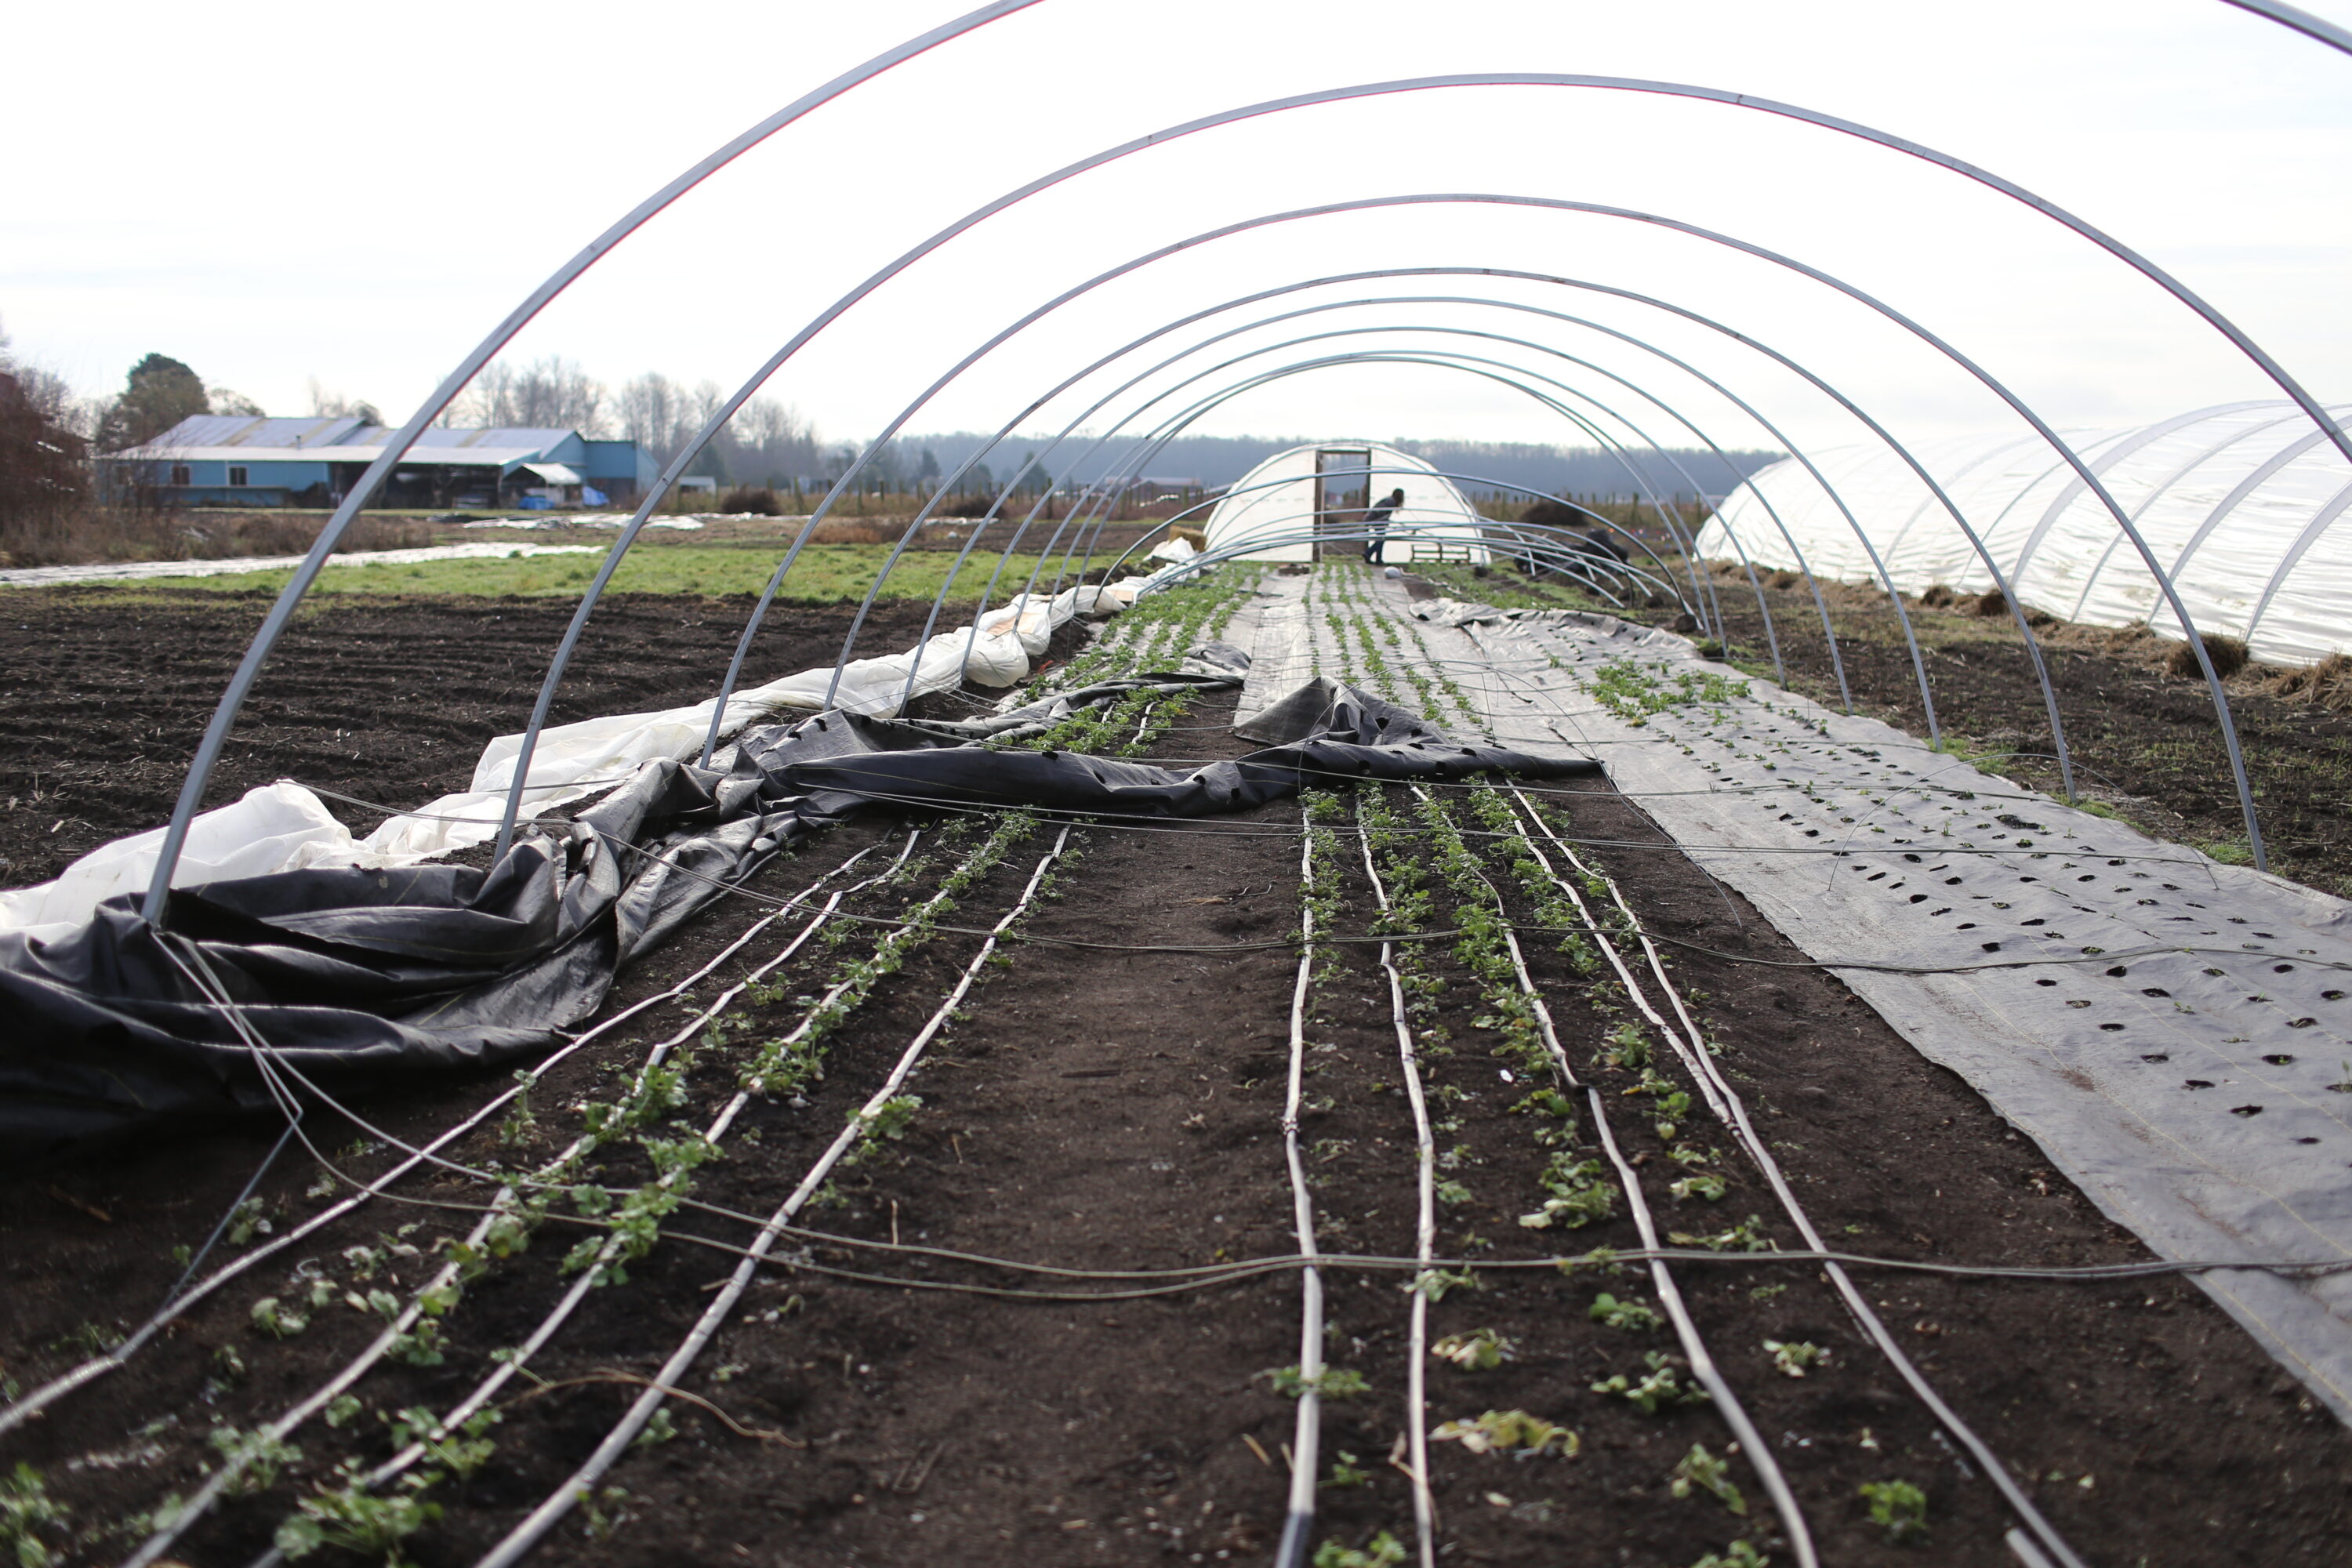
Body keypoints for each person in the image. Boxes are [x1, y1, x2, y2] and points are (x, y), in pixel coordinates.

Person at [1361, 487, 1405, 563]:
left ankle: (1369, 554)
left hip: (1376, 520)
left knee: (1381, 538)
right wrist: (1383, 520)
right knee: (1381, 539)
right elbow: (1381, 512)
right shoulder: (1391, 502)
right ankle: (1374, 557)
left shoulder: (1390, 500)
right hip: (1377, 520)